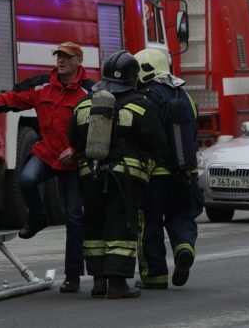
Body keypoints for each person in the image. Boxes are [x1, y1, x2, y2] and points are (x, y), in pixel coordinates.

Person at [0, 41, 93, 294]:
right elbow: (11, 100)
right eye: (59, 56)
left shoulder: (90, 92)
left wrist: (78, 151)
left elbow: (100, 129)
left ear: (79, 60)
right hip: (47, 154)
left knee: (75, 217)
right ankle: (38, 217)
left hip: (74, 161)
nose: (61, 61)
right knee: (26, 179)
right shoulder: (42, 86)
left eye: (66, 57)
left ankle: (72, 276)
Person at [68, 50, 165, 299]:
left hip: (90, 175)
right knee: (120, 227)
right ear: (133, 77)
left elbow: (74, 140)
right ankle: (119, 284)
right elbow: (156, 141)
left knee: (94, 227)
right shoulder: (141, 105)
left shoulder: (84, 104)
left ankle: (99, 281)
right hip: (125, 179)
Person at [132, 48, 201, 290]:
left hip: (154, 175)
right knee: (181, 215)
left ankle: (154, 276)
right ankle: (184, 247)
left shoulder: (145, 98)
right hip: (185, 172)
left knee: (149, 223)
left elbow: (141, 135)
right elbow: (193, 132)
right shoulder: (186, 97)